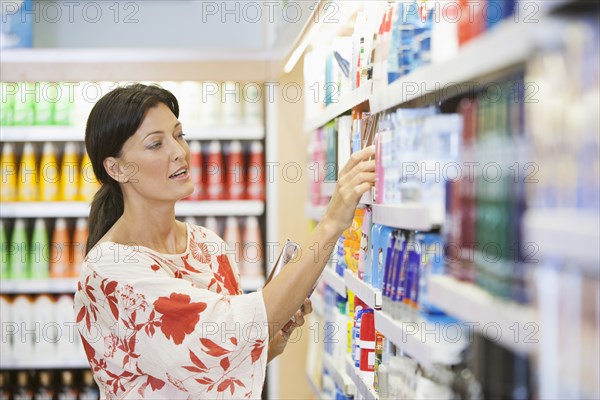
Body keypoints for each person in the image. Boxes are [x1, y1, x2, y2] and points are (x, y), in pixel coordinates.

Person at [73, 83, 376, 399]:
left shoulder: (208, 246)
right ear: (117, 168)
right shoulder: (110, 271)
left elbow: (216, 365)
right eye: (155, 144)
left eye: (179, 135)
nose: (179, 152)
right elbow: (223, 331)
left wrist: (270, 338)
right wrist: (330, 224)